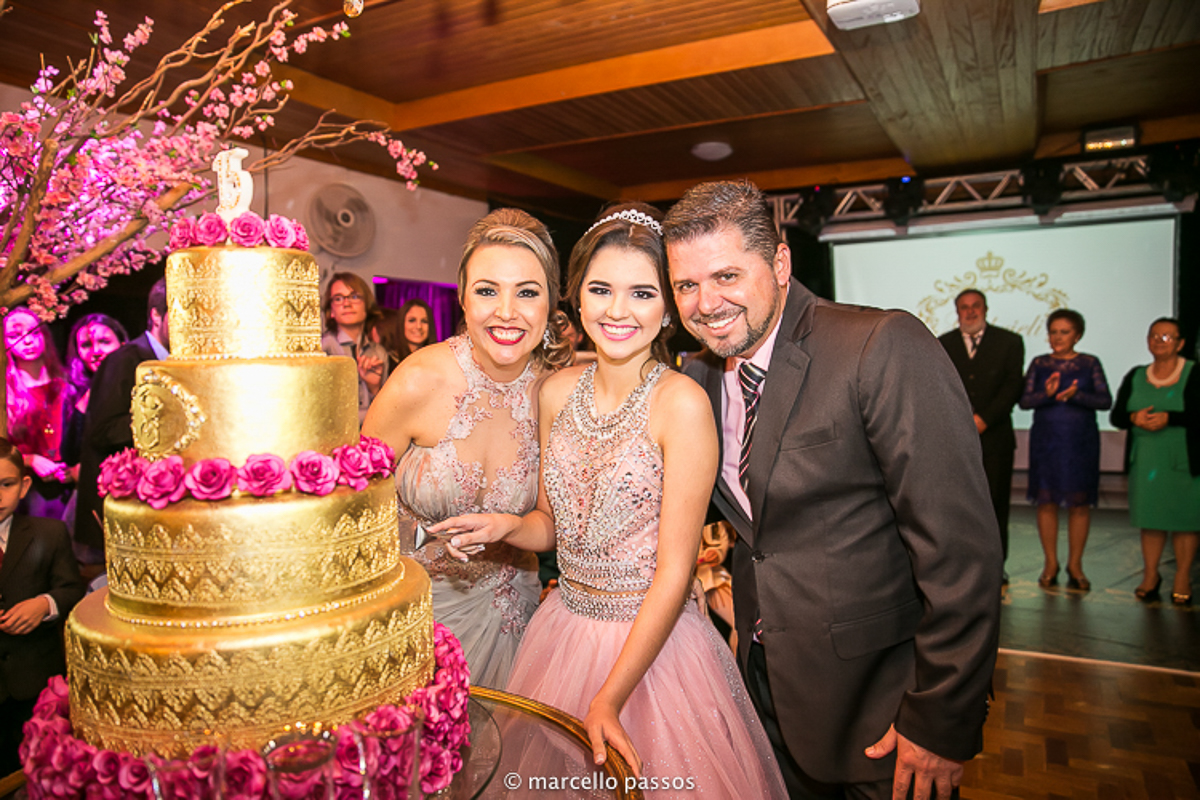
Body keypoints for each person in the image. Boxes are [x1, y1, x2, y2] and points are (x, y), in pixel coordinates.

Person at [432, 203, 787, 796]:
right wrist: (507, 526)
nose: (618, 311)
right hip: (560, 632)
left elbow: (675, 573)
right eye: (601, 290)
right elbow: (550, 523)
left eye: (642, 293)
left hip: (655, 652)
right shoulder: (554, 391)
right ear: (576, 298)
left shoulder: (681, 404)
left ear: (668, 307)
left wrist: (609, 698)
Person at [663, 180, 1002, 800]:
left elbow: (960, 552)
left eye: (726, 276)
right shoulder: (700, 379)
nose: (705, 303)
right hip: (764, 695)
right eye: (686, 285)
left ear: (780, 264)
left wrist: (942, 718)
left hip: (882, 711)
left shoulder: (879, 345)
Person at [363, 208, 571, 688]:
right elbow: (352, 508)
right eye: (487, 291)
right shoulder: (418, 379)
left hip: (515, 620)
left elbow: (551, 524)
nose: (506, 312)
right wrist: (419, 538)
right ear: (462, 297)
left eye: (527, 292)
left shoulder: (557, 395)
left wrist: (511, 528)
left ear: (550, 302)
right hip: (413, 619)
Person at [0, 439, 87, 775]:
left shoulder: (49, 533)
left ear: (24, 487)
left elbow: (71, 589)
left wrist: (44, 604)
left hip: (34, 682)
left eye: (6, 485)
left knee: (34, 771)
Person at [74, 279, 169, 572]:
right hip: (114, 518)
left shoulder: (176, 361)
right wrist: (170, 422)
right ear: (156, 315)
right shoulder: (125, 360)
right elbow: (102, 430)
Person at [1019, 309, 1112, 591]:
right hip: (1046, 442)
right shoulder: (1039, 363)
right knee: (1046, 502)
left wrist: (1077, 395)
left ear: (1077, 335)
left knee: (1079, 504)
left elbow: (1105, 400)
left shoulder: (1089, 363)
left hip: (1079, 443)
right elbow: (1024, 401)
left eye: (1065, 332)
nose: (1058, 337)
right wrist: (1047, 394)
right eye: (1053, 332)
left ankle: (1075, 565)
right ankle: (1050, 563)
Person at [1110, 317, 1199, 606]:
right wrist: (1133, 417)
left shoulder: (1194, 372)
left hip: (1183, 462)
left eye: (1167, 337)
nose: (1159, 341)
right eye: (1154, 336)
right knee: (1150, 520)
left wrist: (1169, 418)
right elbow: (1117, 416)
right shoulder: (1136, 375)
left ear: (1180, 343)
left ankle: (1182, 577)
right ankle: (1150, 575)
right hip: (1147, 461)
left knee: (1185, 522)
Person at [939, 290, 1024, 578]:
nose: (970, 311)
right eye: (964, 307)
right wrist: (963, 422)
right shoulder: (942, 344)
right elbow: (939, 387)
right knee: (958, 506)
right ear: (957, 311)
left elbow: (1013, 386)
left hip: (996, 440)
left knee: (995, 505)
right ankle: (963, 566)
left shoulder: (1010, 342)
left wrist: (984, 419)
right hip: (956, 441)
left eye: (976, 306)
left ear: (985, 309)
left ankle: (996, 567)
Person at [4, 308, 73, 520]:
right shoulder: (6, 392)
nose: (27, 341)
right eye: (15, 335)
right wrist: (30, 460)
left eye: (34, 333)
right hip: (25, 490)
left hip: (67, 485)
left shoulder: (66, 384)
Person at [320, 272, 388, 423]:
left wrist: (374, 389)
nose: (346, 304)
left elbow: (387, 412)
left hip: (371, 433)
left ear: (367, 306)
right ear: (331, 311)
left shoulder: (379, 352)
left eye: (354, 296)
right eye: (338, 298)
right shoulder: (322, 349)